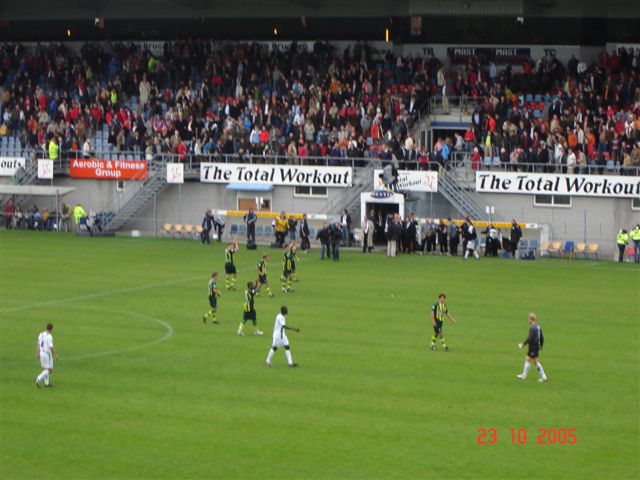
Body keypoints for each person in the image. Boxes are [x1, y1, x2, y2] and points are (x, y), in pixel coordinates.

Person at [517, 313, 548, 382]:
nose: (528, 321)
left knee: (535, 362)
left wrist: (523, 344)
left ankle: (543, 377)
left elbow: (530, 338)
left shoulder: (532, 328)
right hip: (535, 346)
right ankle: (524, 375)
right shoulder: (538, 327)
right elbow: (542, 338)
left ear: (531, 319)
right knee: (527, 358)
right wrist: (541, 345)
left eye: (528, 319)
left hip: (533, 346)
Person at [35, 323, 58, 387]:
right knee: (50, 370)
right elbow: (50, 347)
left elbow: (38, 344)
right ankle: (38, 378)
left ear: (45, 327)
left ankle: (47, 383)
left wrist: (37, 352)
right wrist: (55, 354)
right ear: (52, 329)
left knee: (46, 368)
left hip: (41, 352)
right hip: (47, 354)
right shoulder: (49, 336)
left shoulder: (41, 334)